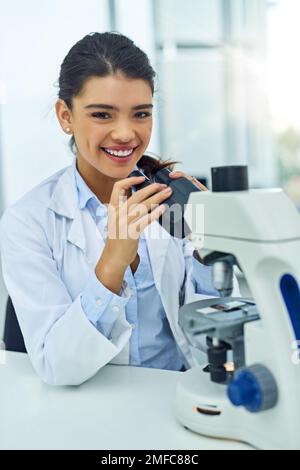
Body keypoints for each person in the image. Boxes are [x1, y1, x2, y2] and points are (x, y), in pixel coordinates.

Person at [0, 32, 240, 386]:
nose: (126, 133)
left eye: (140, 113)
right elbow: (58, 366)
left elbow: (212, 349)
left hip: (171, 398)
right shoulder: (28, 221)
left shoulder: (174, 202)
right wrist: (113, 261)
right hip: (91, 410)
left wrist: (210, 253)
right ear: (65, 116)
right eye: (102, 114)